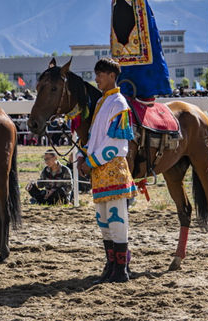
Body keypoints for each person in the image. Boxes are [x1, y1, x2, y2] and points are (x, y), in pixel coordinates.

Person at [77, 58, 137, 283]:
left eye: (100, 74)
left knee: (117, 219)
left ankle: (120, 269)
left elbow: (116, 144)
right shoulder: (104, 103)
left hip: (112, 169)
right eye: (96, 74)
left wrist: (89, 161)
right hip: (100, 170)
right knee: (104, 220)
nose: (96, 78)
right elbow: (95, 138)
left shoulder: (119, 103)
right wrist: (83, 154)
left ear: (112, 75)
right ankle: (112, 266)